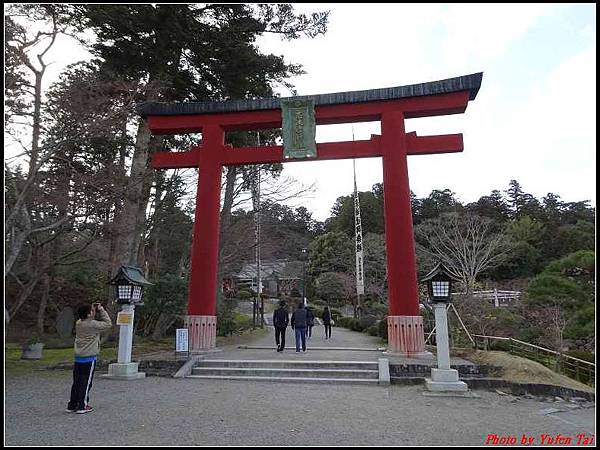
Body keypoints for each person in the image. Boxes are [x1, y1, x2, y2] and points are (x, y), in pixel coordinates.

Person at [66, 302, 111, 414]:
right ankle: (82, 405)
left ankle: (72, 404)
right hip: (89, 358)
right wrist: (101, 310)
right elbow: (108, 324)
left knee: (76, 382)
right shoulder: (92, 325)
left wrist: (93, 311)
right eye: (92, 310)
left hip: (78, 357)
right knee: (86, 382)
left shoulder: (79, 323)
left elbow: (89, 320)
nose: (94, 311)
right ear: (88, 314)